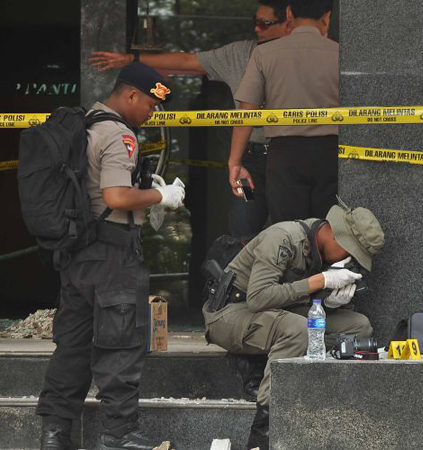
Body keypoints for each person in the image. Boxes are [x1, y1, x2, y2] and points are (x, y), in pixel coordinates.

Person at [37, 62, 185, 450]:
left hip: (78, 255)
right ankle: (118, 437)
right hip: (113, 257)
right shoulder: (120, 134)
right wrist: (160, 196)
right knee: (119, 345)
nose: (152, 113)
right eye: (151, 104)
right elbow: (117, 197)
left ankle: (54, 434)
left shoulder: (84, 124)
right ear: (131, 95)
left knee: (71, 347)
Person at [89, 0, 290, 238]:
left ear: (289, 23)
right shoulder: (240, 53)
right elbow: (187, 61)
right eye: (254, 22)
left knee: (292, 227)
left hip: (291, 154)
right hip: (251, 159)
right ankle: (241, 271)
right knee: (242, 223)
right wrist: (132, 60)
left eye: (264, 24)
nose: (257, 29)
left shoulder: (301, 56)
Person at [203, 201, 385, 450]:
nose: (348, 261)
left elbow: (295, 299)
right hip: (230, 313)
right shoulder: (283, 238)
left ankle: (314, 387)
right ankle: (264, 431)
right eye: (350, 253)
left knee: (358, 327)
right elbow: (258, 298)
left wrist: (327, 303)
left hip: (277, 313)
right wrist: (320, 280)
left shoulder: (319, 249)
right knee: (297, 328)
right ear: (335, 237)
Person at [229, 0, 339, 224]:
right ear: (327, 16)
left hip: (284, 155)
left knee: (288, 232)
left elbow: (246, 112)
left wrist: (235, 162)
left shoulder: (265, 54)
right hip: (331, 154)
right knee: (327, 231)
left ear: (289, 13)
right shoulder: (340, 54)